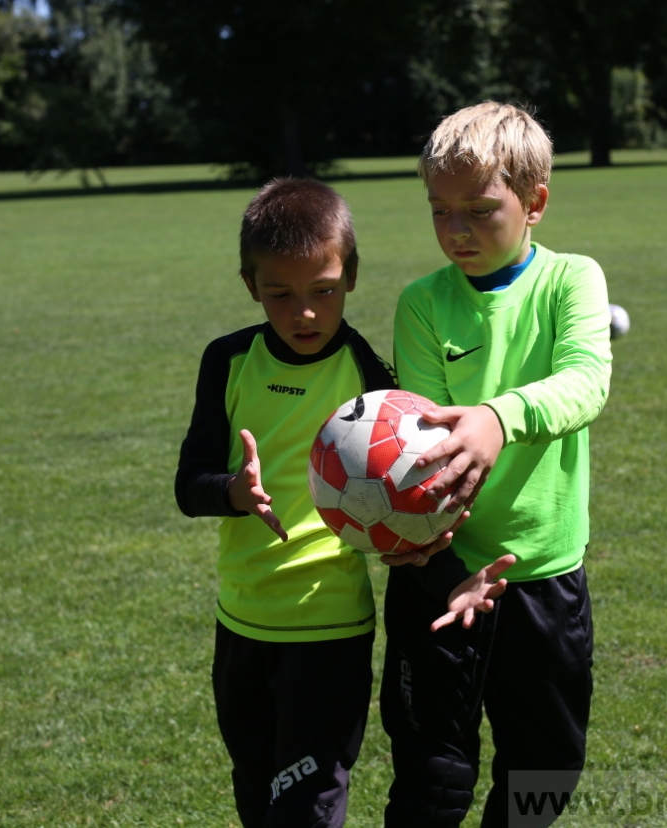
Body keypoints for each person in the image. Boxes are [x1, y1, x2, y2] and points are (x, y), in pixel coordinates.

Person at [175, 177, 510, 828]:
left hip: (329, 633)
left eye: (323, 291)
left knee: (308, 807)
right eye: (281, 294)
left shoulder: (369, 380)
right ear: (251, 286)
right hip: (241, 626)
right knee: (259, 798)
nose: (304, 312)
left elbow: (407, 498)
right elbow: (189, 485)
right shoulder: (227, 361)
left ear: (351, 276)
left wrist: (448, 571)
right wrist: (234, 493)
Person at [379, 101, 614, 827]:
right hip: (441, 579)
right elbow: (412, 446)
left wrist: (496, 416)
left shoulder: (572, 281)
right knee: (433, 782)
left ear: (535, 202)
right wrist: (439, 565)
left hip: (541, 578)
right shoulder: (422, 303)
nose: (456, 232)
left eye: (480, 211)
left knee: (543, 777)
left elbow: (585, 382)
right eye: (439, 211)